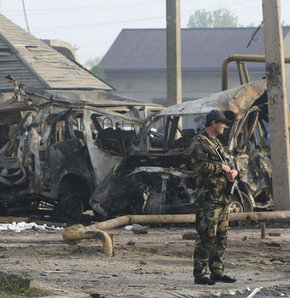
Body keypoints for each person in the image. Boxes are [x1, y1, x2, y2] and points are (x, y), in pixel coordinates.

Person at [190, 109, 238, 285]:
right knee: (206, 236)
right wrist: (221, 168)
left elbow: (227, 164)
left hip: (222, 198)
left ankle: (217, 271)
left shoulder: (216, 144)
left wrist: (233, 172)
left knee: (221, 238)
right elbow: (199, 168)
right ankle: (200, 274)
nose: (224, 126)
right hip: (208, 200)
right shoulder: (199, 143)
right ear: (213, 123)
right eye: (222, 123)